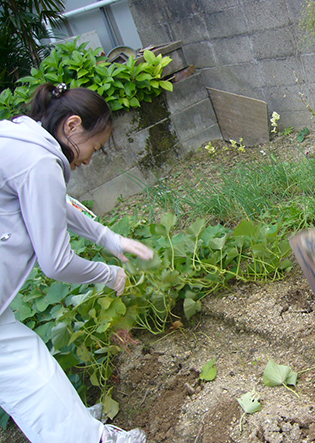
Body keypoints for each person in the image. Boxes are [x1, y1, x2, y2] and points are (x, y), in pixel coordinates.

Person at [0, 83, 153, 443]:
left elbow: (51, 204)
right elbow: (55, 263)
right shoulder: (38, 160)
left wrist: (109, 238)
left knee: (24, 362)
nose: (87, 159)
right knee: (25, 371)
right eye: (94, 147)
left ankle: (73, 423)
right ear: (71, 126)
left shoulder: (22, 139)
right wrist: (111, 274)